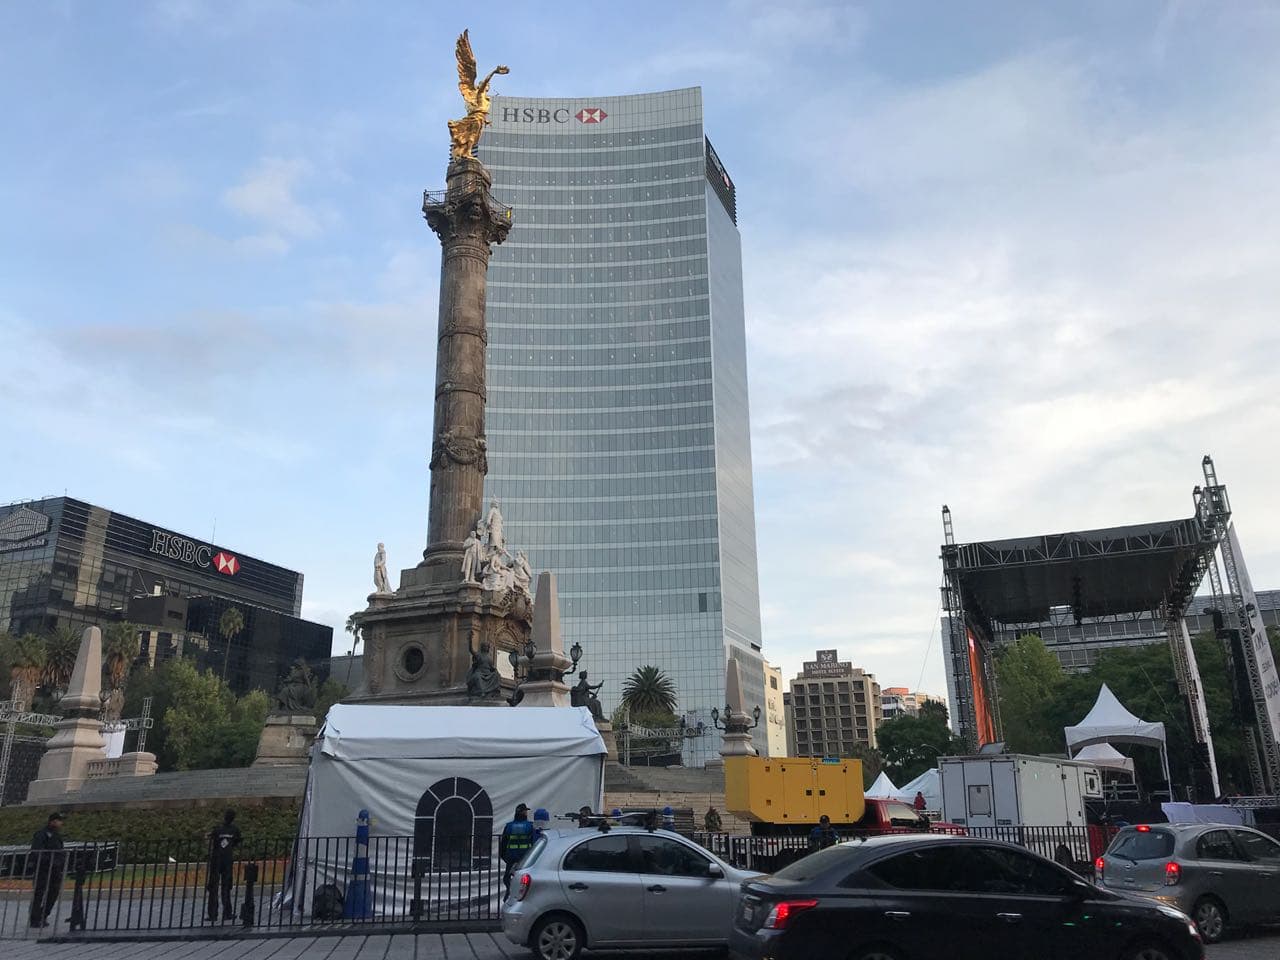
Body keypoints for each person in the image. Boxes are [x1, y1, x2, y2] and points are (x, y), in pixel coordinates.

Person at [29, 812, 65, 928]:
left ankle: (43, 915)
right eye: (59, 821)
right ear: (52, 821)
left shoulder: (56, 835)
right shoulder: (42, 834)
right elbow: (36, 851)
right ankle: (35, 919)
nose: (61, 823)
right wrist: (49, 861)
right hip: (43, 869)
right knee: (39, 893)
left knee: (53, 892)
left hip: (55, 870)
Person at [207, 809, 242, 922]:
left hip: (216, 860)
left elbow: (213, 840)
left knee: (214, 887)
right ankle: (227, 912)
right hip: (227, 860)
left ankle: (213, 914)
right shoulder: (235, 830)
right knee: (226, 887)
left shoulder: (217, 830)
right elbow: (237, 842)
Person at [498, 803, 535, 893]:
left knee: (507, 878)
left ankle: (509, 894)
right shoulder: (530, 826)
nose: (527, 812)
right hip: (525, 858)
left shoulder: (509, 826)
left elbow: (503, 844)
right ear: (523, 812)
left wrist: (505, 857)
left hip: (511, 857)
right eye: (525, 811)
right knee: (525, 880)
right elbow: (534, 842)